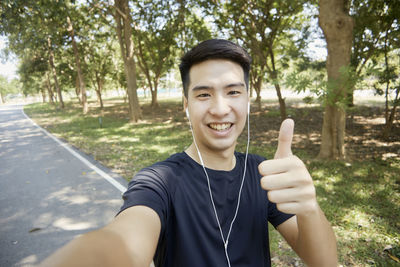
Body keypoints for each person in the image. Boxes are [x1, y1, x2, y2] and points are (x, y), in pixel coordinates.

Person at [40, 39, 337, 267]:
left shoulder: (264, 174)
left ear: (248, 99)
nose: (220, 108)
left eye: (233, 92)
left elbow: (322, 261)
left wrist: (309, 207)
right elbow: (121, 242)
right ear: (186, 104)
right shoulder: (159, 182)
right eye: (204, 94)